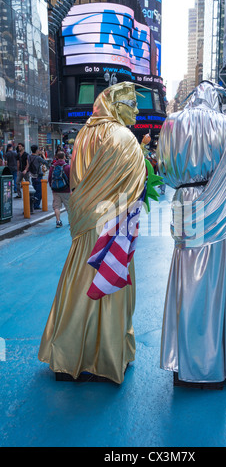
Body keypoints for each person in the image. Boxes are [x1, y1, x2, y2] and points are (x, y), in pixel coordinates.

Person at [38, 82, 148, 384]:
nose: (137, 110)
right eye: (131, 103)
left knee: (78, 277)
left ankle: (68, 353)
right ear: (115, 105)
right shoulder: (123, 137)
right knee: (107, 277)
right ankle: (103, 357)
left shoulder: (85, 133)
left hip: (84, 219)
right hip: (111, 225)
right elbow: (133, 189)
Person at [157, 81, 226, 388]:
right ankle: (211, 367)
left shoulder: (172, 123)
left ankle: (182, 364)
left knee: (185, 280)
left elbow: (163, 169)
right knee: (216, 283)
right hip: (221, 209)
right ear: (217, 98)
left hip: (184, 204)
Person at [48, 151, 70, 227]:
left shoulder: (52, 167)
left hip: (55, 190)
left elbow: (50, 178)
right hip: (66, 189)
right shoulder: (67, 167)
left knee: (56, 206)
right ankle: (70, 220)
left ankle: (58, 221)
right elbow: (71, 178)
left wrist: (52, 187)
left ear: (57, 157)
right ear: (64, 157)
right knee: (68, 206)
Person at [25, 145, 48, 210]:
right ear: (37, 150)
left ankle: (33, 203)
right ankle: (36, 205)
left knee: (34, 190)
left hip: (32, 175)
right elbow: (46, 162)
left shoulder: (29, 156)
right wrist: (43, 155)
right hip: (38, 175)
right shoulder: (38, 158)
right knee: (39, 191)